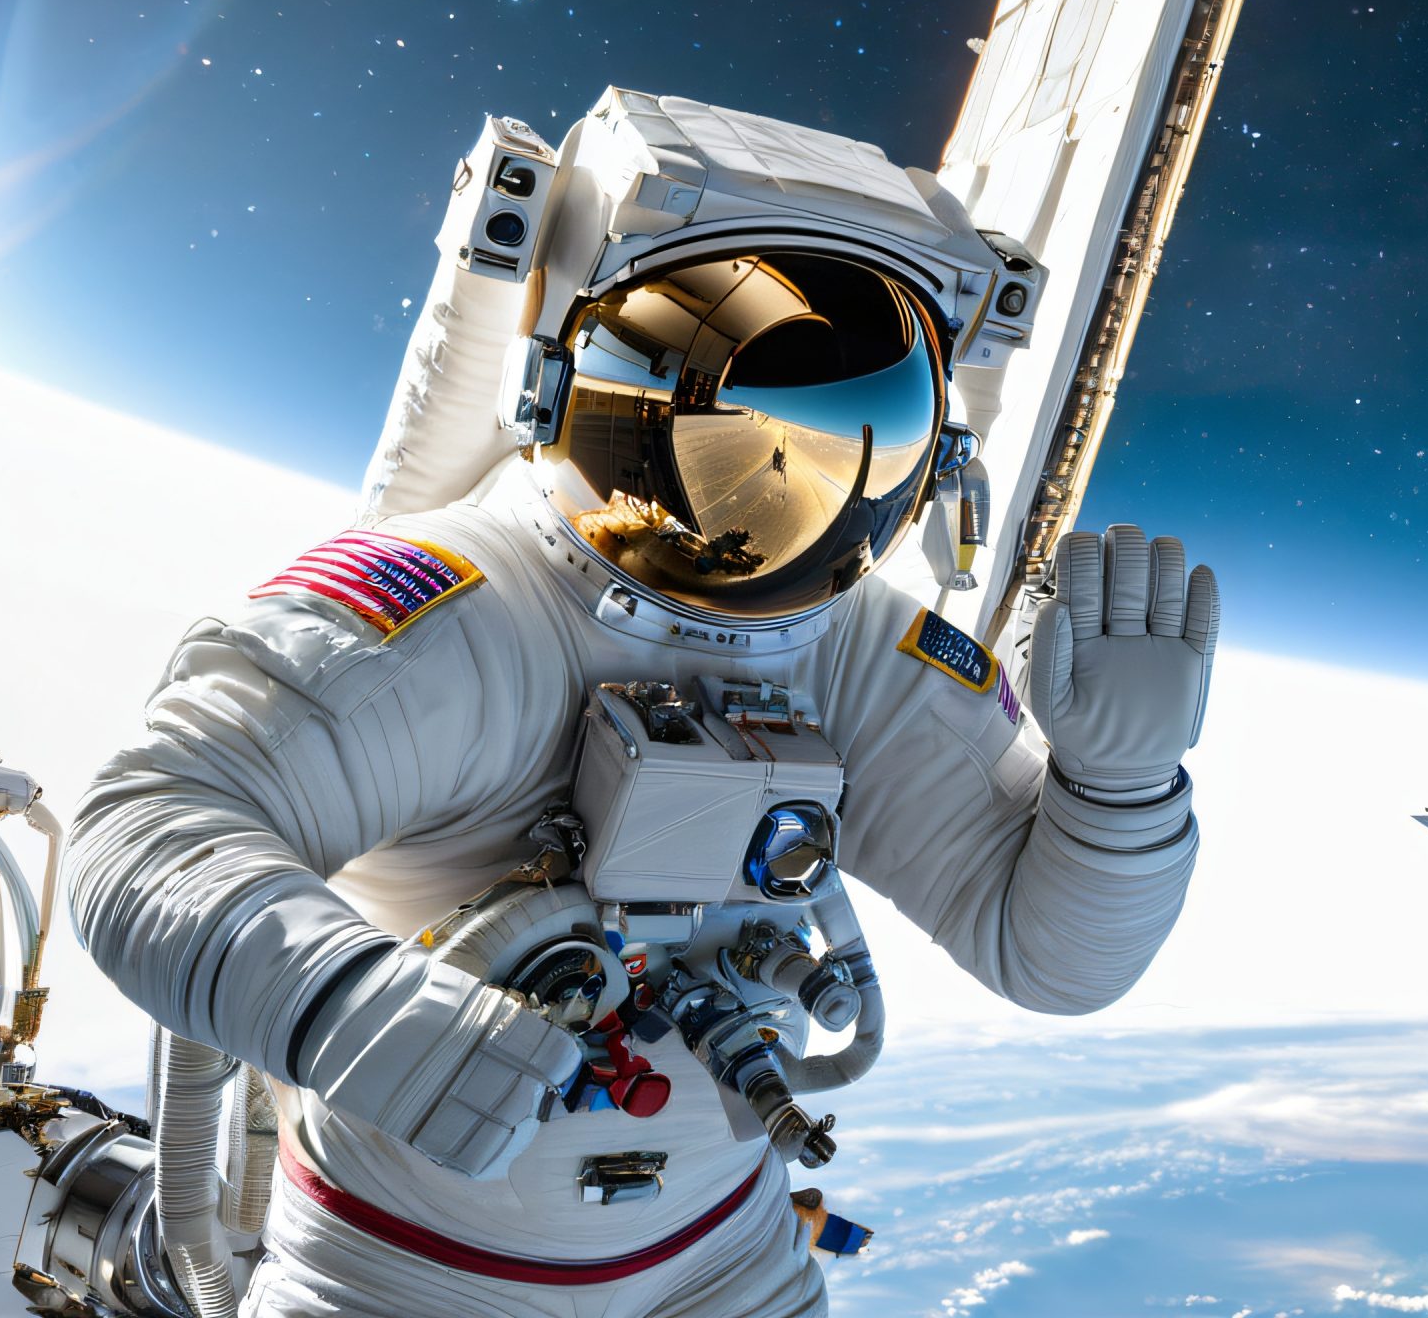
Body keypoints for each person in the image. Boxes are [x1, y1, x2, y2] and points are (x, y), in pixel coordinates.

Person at [67, 241, 1219, 1317]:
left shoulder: (856, 646)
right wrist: (348, 1006)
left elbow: (1050, 959)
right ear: (566, 389)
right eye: (734, 423)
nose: (774, 502)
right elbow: (152, 825)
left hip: (725, 1256)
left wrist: (1121, 791)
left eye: (839, 446)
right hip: (402, 1269)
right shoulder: (462, 610)